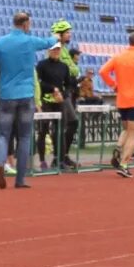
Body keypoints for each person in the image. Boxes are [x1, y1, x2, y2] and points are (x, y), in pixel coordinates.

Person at [0, 12, 58, 189]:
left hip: (7, 95)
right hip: (26, 95)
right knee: (24, 137)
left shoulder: (0, 42)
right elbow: (49, 42)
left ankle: (0, 163)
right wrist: (55, 36)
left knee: (2, 134)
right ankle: (20, 179)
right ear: (25, 24)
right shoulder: (30, 40)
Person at [98, 32, 134, 179]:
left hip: (122, 100)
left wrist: (114, 85)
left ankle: (119, 147)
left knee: (126, 129)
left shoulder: (119, 56)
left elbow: (103, 71)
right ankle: (124, 164)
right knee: (133, 132)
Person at [35, 43, 72, 171]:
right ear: (49, 51)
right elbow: (38, 82)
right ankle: (42, 160)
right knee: (43, 130)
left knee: (60, 130)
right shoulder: (41, 65)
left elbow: (68, 85)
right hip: (45, 101)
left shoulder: (64, 66)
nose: (56, 51)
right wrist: (53, 89)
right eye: (53, 49)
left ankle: (59, 160)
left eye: (58, 49)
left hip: (59, 101)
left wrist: (63, 94)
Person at [51, 22, 81, 170]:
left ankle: (64, 155)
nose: (70, 34)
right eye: (67, 32)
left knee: (72, 123)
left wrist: (73, 69)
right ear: (59, 34)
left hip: (67, 92)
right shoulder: (56, 49)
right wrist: (72, 69)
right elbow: (69, 70)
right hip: (59, 93)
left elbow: (74, 70)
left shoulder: (65, 49)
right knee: (64, 124)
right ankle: (58, 158)